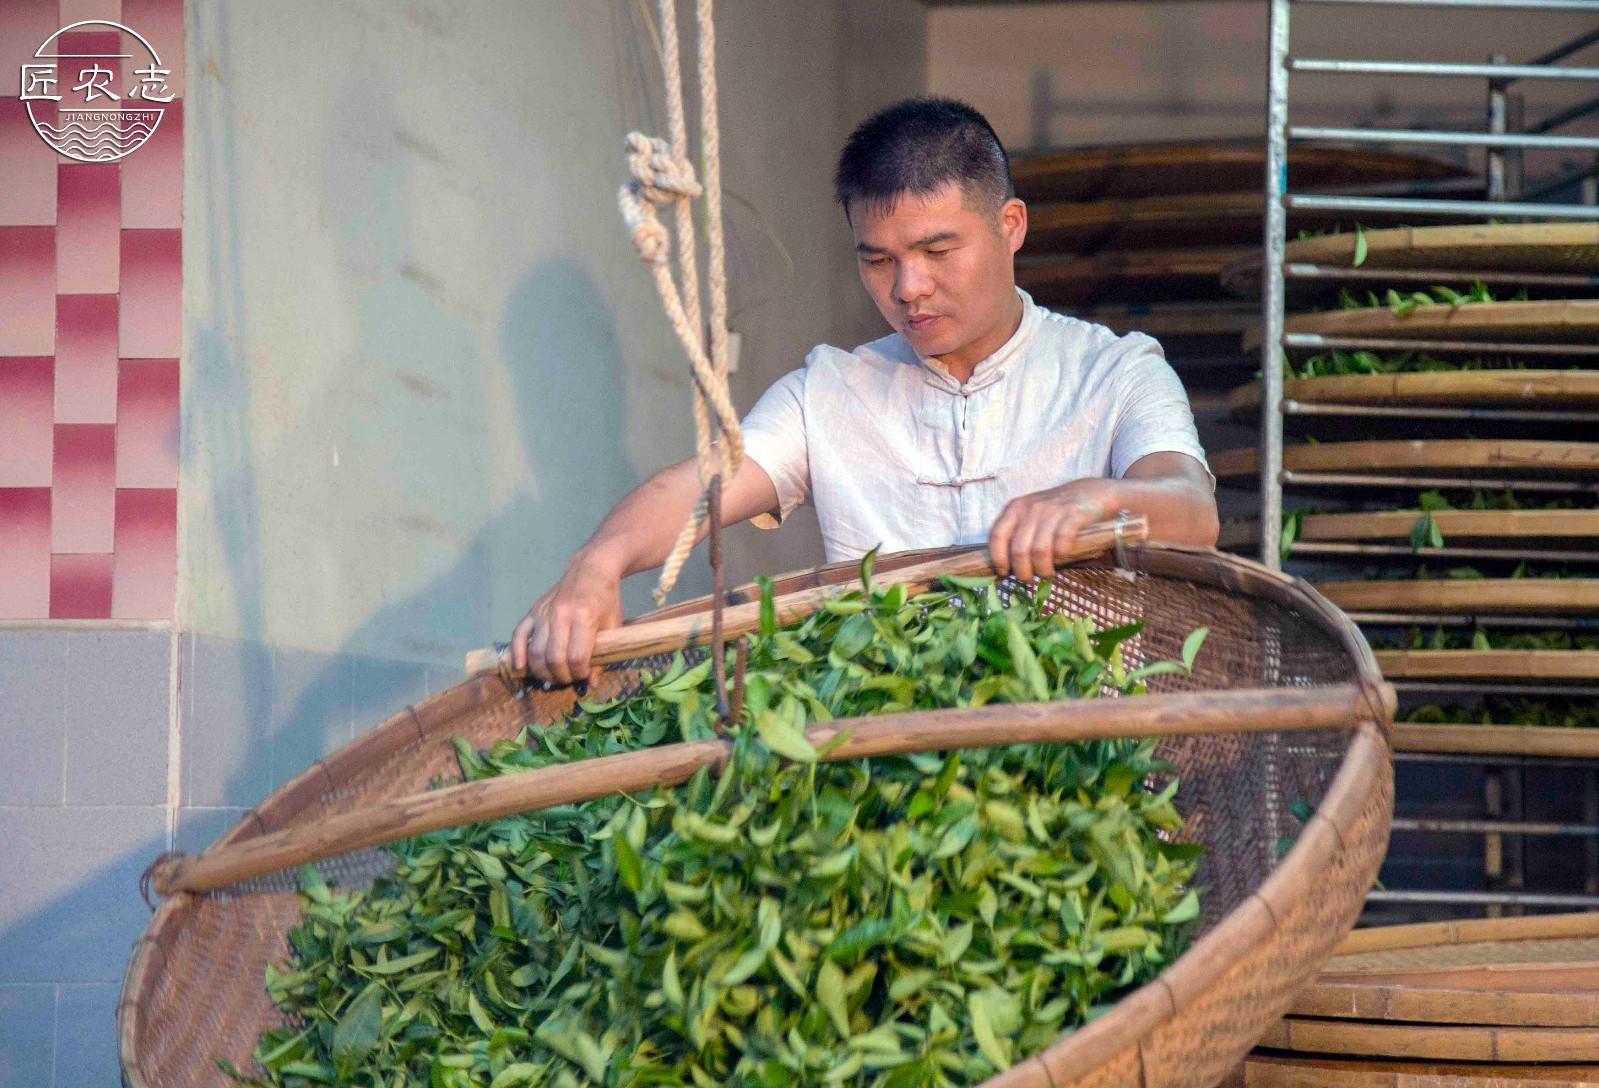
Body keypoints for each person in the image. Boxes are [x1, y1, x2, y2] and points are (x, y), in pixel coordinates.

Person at [512, 96, 1219, 686]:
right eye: (878, 260)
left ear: (1010, 227)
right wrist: (594, 566)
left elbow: (1191, 509)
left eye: (937, 252)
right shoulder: (830, 392)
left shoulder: (1115, 372)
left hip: (1079, 742)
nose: (907, 288)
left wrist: (1096, 499)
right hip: (878, 757)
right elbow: (703, 484)